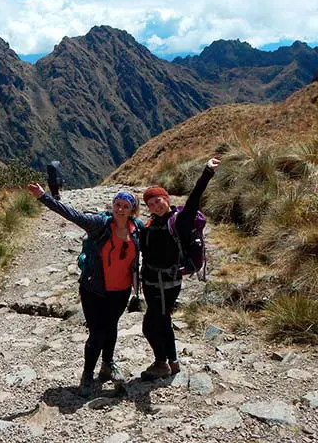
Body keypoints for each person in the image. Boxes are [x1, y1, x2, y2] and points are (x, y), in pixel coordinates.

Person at [26, 182, 144, 396]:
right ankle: (87, 374)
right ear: (113, 205)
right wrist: (43, 197)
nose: (120, 209)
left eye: (125, 206)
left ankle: (107, 365)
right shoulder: (99, 224)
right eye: (117, 204)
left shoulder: (137, 230)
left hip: (121, 290)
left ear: (132, 210)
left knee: (111, 327)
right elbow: (73, 215)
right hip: (94, 289)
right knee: (98, 332)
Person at [139, 157, 220, 380]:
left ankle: (160, 363)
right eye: (151, 203)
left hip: (166, 283)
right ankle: (172, 362)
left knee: (149, 326)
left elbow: (194, 199)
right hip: (153, 281)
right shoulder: (152, 223)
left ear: (166, 199)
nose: (155, 205)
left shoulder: (179, 220)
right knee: (164, 321)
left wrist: (207, 172)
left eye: (158, 200)